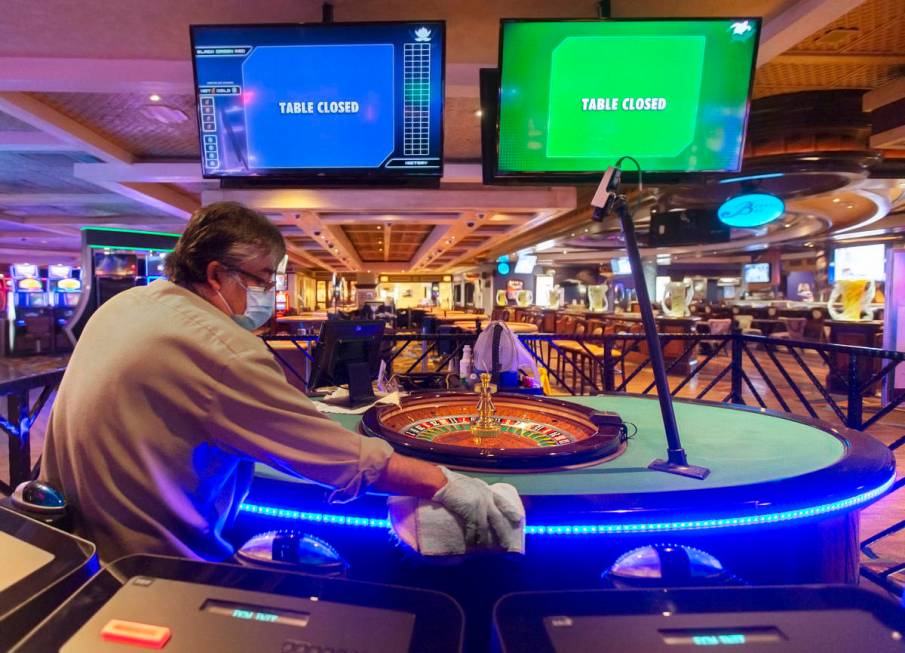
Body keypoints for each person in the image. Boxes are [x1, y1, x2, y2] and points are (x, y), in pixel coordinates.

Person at [40, 202, 522, 561]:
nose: (268, 294)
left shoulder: (125, 305)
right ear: (215, 274)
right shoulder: (220, 348)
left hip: (71, 545)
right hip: (152, 564)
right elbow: (337, 459)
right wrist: (442, 483)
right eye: (263, 279)